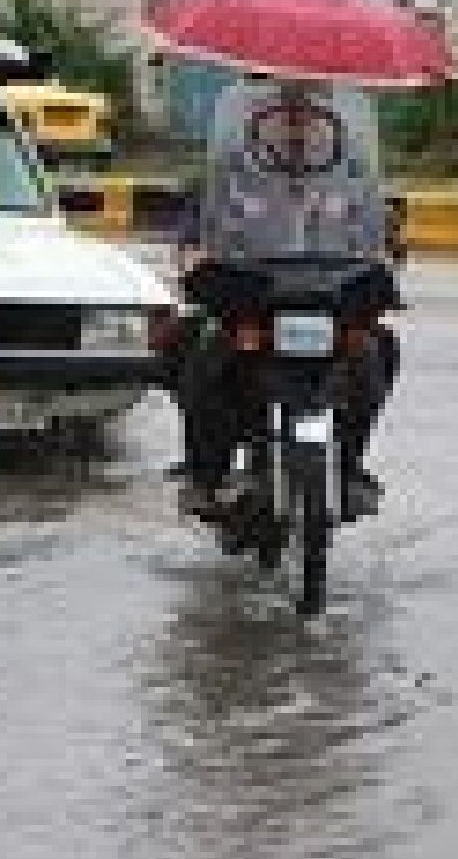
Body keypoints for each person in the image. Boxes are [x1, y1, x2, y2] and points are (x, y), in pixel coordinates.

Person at [165, 74, 401, 524]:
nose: (297, 123)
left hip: (329, 291)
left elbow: (376, 226)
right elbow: (195, 229)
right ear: (262, 115)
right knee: (198, 345)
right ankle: (205, 474)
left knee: (376, 350)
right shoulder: (231, 165)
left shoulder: (350, 167)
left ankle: (350, 467)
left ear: (327, 117)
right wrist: (191, 256)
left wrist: (387, 247)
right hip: (253, 291)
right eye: (287, 110)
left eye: (309, 110)